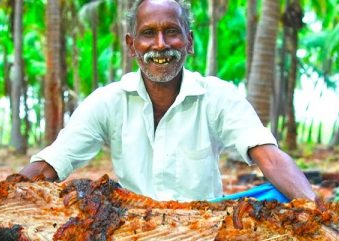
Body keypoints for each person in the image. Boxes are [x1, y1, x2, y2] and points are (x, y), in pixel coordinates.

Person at [20, 0, 318, 204]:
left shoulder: (218, 96)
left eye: (171, 32)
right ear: (132, 45)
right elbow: (51, 163)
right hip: (132, 225)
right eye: (149, 33)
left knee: (279, 197)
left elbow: (269, 157)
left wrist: (316, 211)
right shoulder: (108, 101)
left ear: (189, 42)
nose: (160, 44)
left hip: (206, 222)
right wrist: (2, 197)